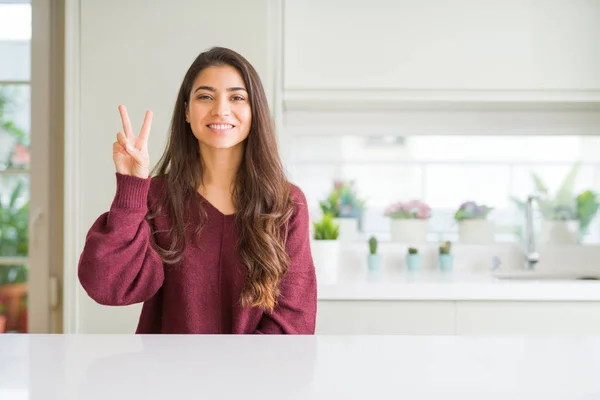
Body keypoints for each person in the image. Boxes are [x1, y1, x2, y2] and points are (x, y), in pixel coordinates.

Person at [78, 47, 317, 334]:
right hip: (168, 376)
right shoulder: (156, 197)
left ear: (254, 111)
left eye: (237, 97)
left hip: (255, 376)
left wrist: (240, 375)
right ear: (187, 112)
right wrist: (131, 187)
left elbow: (293, 320)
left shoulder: (286, 203)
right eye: (205, 96)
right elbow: (108, 286)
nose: (221, 109)